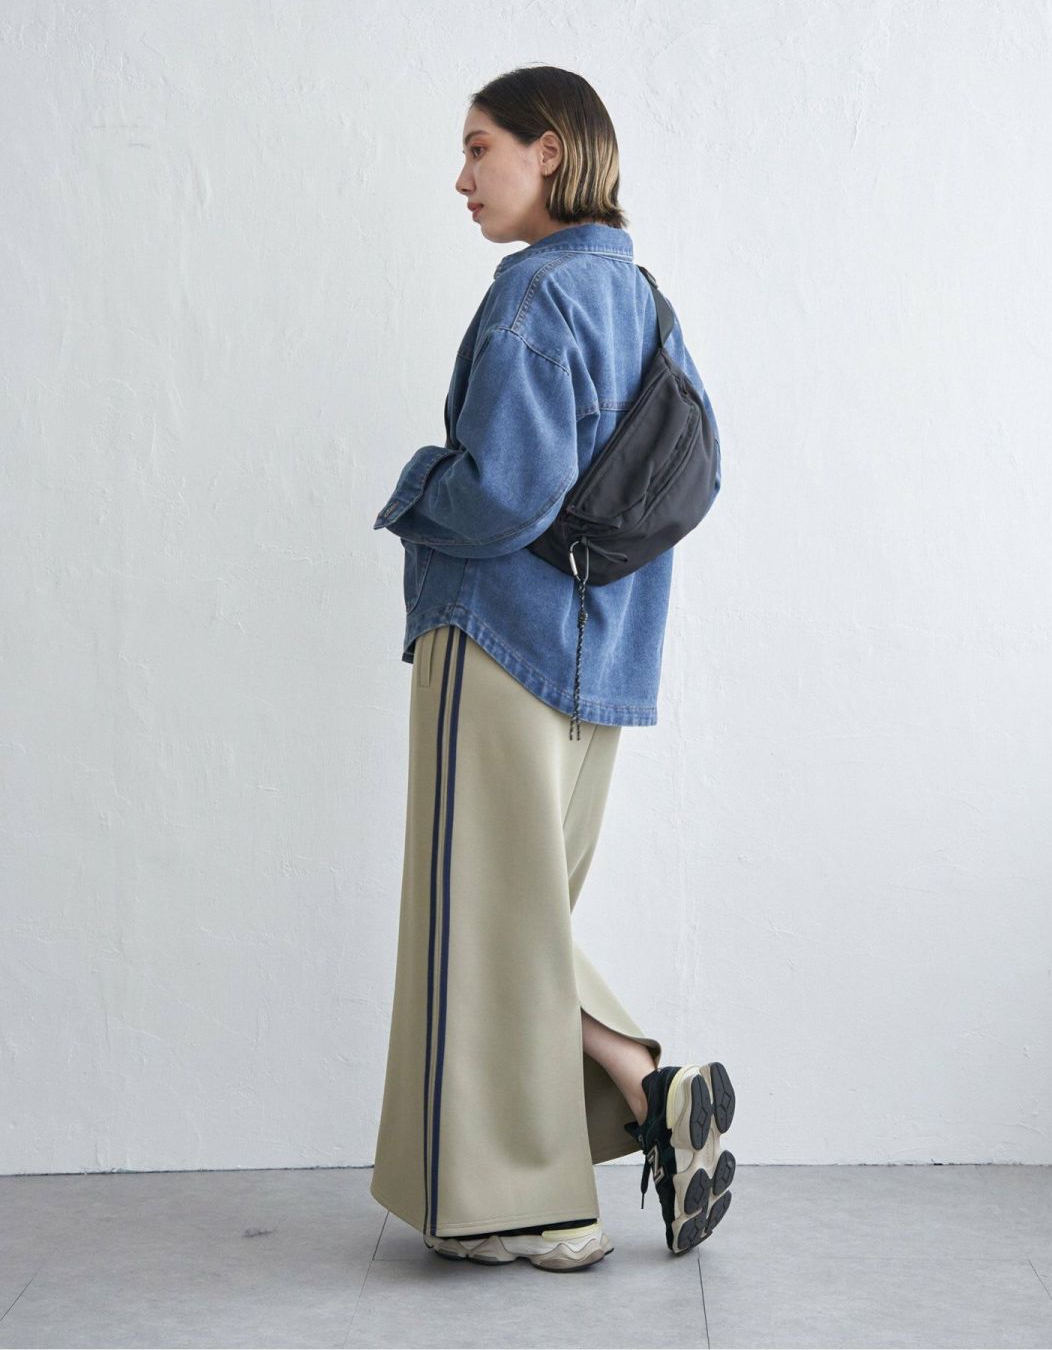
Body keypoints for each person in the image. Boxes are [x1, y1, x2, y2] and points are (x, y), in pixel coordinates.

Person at [368, 65, 735, 1272]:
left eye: (481, 148)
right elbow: (696, 471)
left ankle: (547, 1202)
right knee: (516, 917)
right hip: (601, 659)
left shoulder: (533, 296)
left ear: (552, 152)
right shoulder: (646, 303)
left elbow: (503, 494)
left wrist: (415, 488)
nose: (462, 177)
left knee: (484, 921)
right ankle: (634, 1099)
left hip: (499, 642)